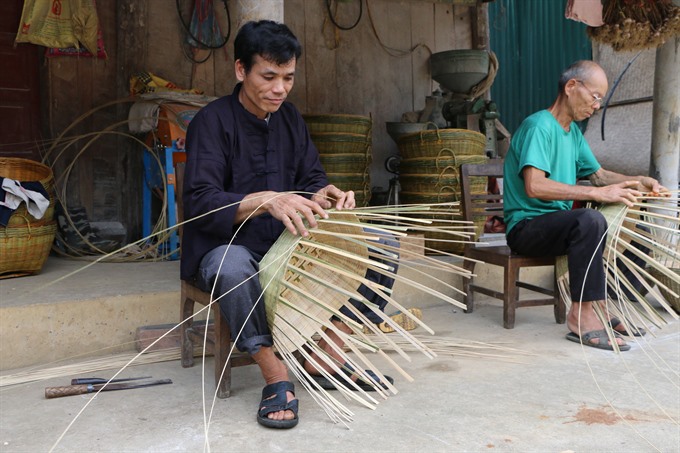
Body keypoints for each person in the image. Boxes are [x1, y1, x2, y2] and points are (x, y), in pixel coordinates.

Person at [180, 20, 394, 430]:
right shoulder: (212, 122)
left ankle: (325, 355)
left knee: (381, 243)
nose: (280, 88)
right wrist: (262, 200)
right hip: (226, 245)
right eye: (269, 76)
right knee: (234, 266)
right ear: (241, 70)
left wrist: (325, 193)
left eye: (289, 77)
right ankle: (275, 374)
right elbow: (200, 202)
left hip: (285, 243)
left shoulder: (290, 119)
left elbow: (311, 177)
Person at [503, 60, 667, 352]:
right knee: (589, 220)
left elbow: (600, 175)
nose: (597, 106)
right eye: (595, 96)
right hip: (526, 228)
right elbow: (534, 185)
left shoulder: (573, 133)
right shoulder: (539, 126)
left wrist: (638, 181)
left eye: (601, 100)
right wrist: (600, 193)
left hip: (559, 226)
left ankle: (599, 308)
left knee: (596, 221)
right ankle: (581, 316)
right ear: (571, 87)